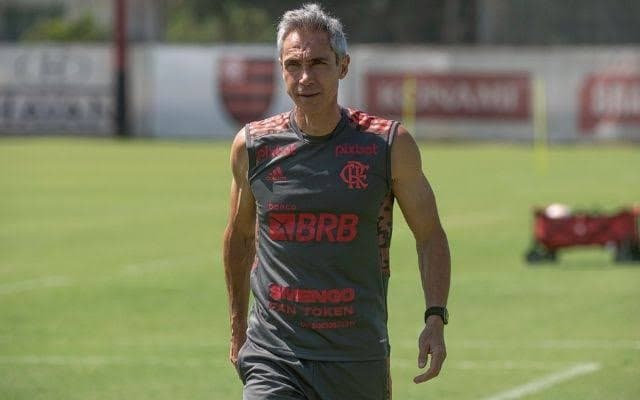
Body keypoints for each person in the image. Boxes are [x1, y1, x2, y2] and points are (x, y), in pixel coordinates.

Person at [223, 3, 451, 399]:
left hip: (356, 357)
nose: (305, 77)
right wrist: (237, 328)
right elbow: (239, 239)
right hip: (274, 355)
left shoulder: (387, 145)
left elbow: (430, 235)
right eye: (293, 65)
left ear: (343, 66)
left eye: (318, 63)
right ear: (281, 69)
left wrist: (435, 317)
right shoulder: (253, 146)